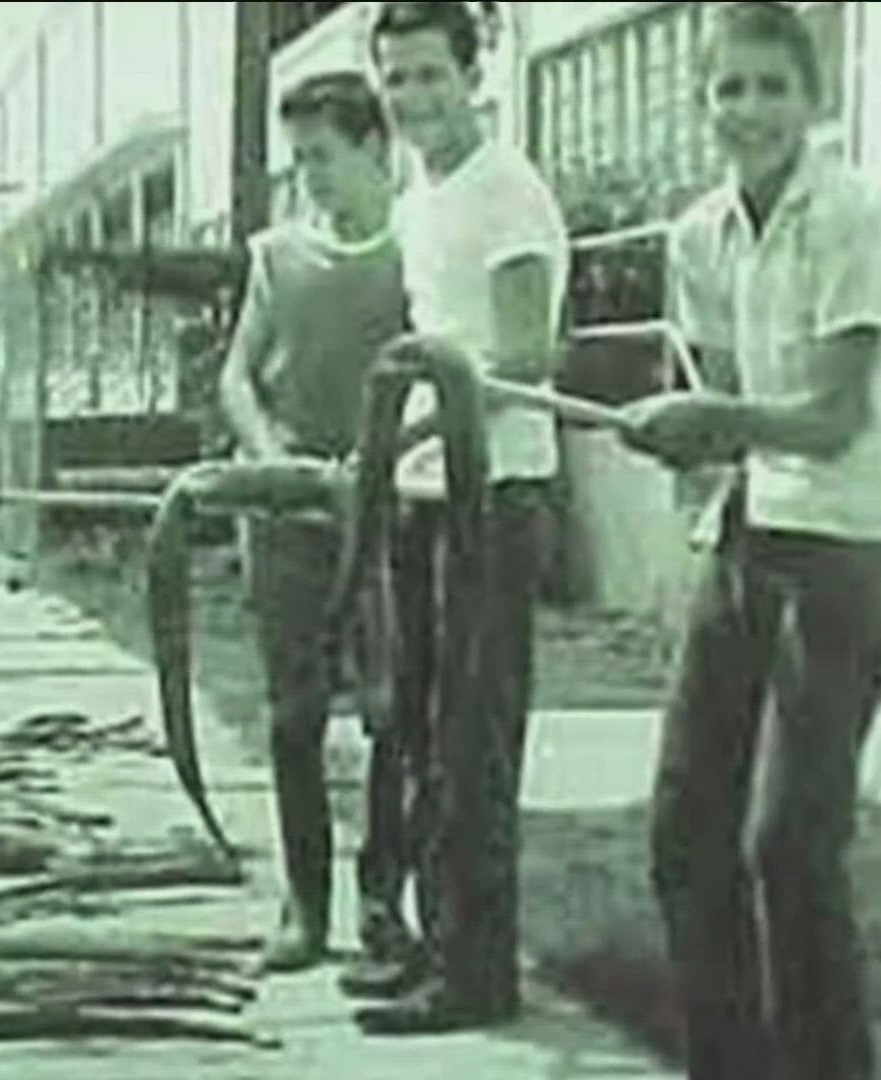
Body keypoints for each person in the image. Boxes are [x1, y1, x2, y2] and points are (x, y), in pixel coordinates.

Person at [617, 4, 881, 1077]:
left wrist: (708, 425)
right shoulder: (696, 232)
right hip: (748, 532)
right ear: (702, 101)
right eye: (728, 88)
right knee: (683, 833)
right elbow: (713, 405)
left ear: (817, 100)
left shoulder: (855, 214)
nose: (749, 109)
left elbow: (833, 418)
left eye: (772, 86)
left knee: (792, 848)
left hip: (848, 540)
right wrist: (681, 442)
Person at [347, 0, 570, 1034]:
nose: (413, 99)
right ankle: (438, 948)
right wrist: (393, 443)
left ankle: (479, 976)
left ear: (473, 75)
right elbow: (428, 336)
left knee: (474, 738)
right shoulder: (415, 198)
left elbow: (526, 356)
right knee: (422, 729)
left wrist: (413, 420)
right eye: (396, 80)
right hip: (422, 492)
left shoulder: (508, 191)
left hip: (496, 492)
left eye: (431, 75)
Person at [217, 71, 415, 976]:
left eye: (325, 158)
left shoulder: (417, 246)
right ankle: (307, 907)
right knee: (296, 717)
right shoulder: (276, 255)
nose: (312, 180)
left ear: (376, 146)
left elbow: (446, 374)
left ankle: (384, 903)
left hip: (387, 510)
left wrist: (378, 456)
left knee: (392, 715)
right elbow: (237, 376)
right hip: (288, 514)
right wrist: (267, 454)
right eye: (299, 163)